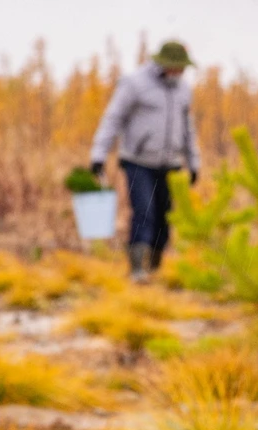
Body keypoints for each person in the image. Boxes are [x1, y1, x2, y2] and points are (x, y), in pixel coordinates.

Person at [90, 41, 200, 283]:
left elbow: (188, 129)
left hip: (171, 162)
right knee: (144, 211)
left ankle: (155, 266)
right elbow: (113, 118)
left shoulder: (183, 90)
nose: (179, 72)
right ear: (163, 63)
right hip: (138, 161)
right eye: (176, 67)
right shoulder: (135, 83)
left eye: (183, 68)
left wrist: (194, 162)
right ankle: (137, 269)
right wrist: (99, 155)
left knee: (165, 216)